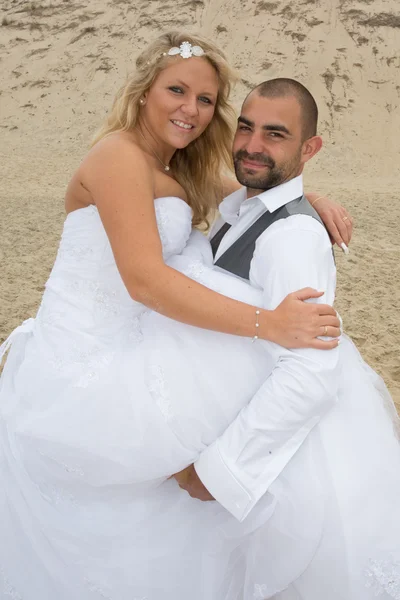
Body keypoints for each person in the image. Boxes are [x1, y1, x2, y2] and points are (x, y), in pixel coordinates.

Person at [0, 32, 355, 599]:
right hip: (84, 360)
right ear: (144, 93)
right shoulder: (117, 156)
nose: (190, 110)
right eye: (177, 91)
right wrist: (269, 324)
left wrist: (312, 197)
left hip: (132, 345)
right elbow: (145, 281)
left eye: (207, 100)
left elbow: (243, 189)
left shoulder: (176, 168)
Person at [174, 78, 400, 599]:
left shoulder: (292, 236)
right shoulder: (245, 211)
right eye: (246, 127)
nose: (253, 145)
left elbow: (309, 373)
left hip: (282, 465)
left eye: (275, 134)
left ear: (309, 148)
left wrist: (221, 472)